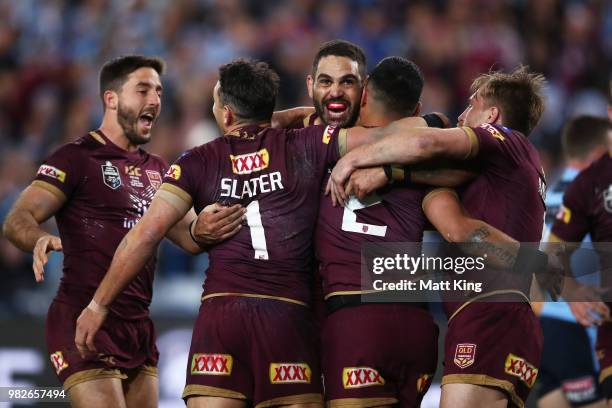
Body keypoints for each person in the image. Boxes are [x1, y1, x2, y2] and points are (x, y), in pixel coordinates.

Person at [73, 58, 360, 408]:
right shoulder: (308, 144)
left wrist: (98, 304)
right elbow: (388, 134)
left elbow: (144, 235)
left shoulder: (197, 161)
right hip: (288, 319)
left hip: (222, 319)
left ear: (225, 114)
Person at [328, 66, 548, 408]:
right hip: (497, 316)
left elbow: (424, 142)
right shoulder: (502, 173)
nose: (461, 116)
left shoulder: (505, 139)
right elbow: (439, 194)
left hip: (489, 312)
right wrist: (391, 173)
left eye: (471, 106)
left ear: (492, 116)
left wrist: (353, 160)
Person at [2, 55, 202, 408]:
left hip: (137, 327)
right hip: (83, 318)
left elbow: (190, 237)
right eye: (142, 90)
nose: (155, 100)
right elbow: (17, 220)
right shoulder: (75, 159)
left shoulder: (158, 170)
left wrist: (222, 218)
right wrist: (39, 238)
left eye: (158, 91)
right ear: (111, 99)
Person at [537, 116, 610, 408]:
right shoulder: (594, 197)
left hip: (545, 326)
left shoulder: (546, 195)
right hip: (579, 328)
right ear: (597, 154)